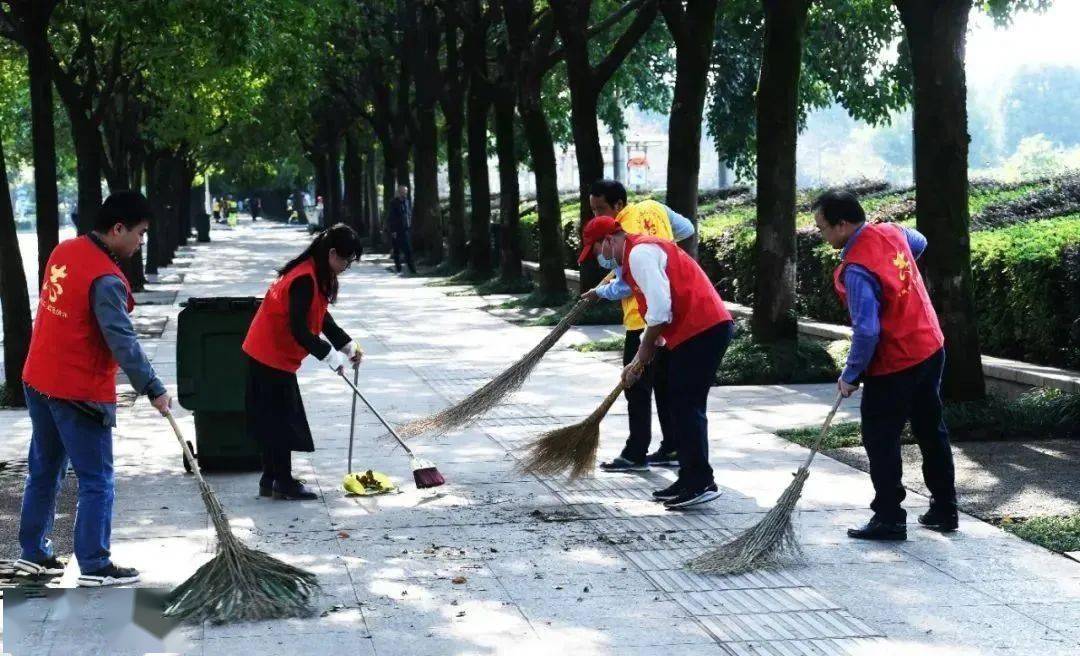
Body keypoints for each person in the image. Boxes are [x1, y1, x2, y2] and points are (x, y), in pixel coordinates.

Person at [16, 191, 172, 587]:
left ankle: (33, 553)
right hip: (77, 389)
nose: (141, 242)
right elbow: (123, 340)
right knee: (97, 479)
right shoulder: (105, 279)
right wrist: (153, 387)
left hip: (39, 378)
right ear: (118, 229)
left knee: (45, 470)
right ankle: (94, 565)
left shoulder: (64, 250)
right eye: (139, 233)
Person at [812, 190, 957, 541]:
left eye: (823, 228)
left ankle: (889, 517)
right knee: (930, 428)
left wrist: (850, 375)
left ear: (843, 225)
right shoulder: (892, 231)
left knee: (881, 438)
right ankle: (944, 509)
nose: (821, 235)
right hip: (929, 345)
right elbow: (918, 244)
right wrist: (902, 281)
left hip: (896, 361)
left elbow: (867, 331)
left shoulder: (857, 269)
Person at [578, 216, 735, 510]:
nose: (600, 257)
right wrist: (642, 357)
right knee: (677, 402)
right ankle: (688, 478)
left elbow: (661, 310)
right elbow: (657, 313)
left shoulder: (640, 254)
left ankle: (701, 481)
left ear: (610, 239)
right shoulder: (634, 258)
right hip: (693, 331)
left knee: (686, 404)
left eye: (598, 249)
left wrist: (642, 352)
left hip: (704, 329)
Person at [242, 224, 365, 501]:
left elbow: (320, 317)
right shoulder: (304, 278)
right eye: (346, 260)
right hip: (269, 353)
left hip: (270, 353)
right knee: (282, 420)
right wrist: (329, 357)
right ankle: (282, 482)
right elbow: (299, 329)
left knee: (276, 417)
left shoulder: (316, 273)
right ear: (333, 253)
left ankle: (271, 477)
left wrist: (346, 345)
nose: (347, 266)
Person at [582, 179, 695, 472]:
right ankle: (672, 447)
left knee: (636, 386)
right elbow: (688, 229)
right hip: (672, 316)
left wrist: (600, 292)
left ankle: (635, 453)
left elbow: (624, 282)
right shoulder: (654, 207)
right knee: (663, 384)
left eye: (601, 209)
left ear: (618, 205)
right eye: (593, 210)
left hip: (641, 317)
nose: (598, 216)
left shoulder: (621, 232)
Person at [387, 185, 416, 274]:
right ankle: (398, 268)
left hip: (405, 229)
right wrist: (393, 231)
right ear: (399, 192)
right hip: (397, 230)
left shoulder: (407, 202)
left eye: (405, 192)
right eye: (403, 192)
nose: (404, 193)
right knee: (396, 250)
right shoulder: (393, 203)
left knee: (408, 250)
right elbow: (391, 218)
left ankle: (412, 269)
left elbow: (408, 214)